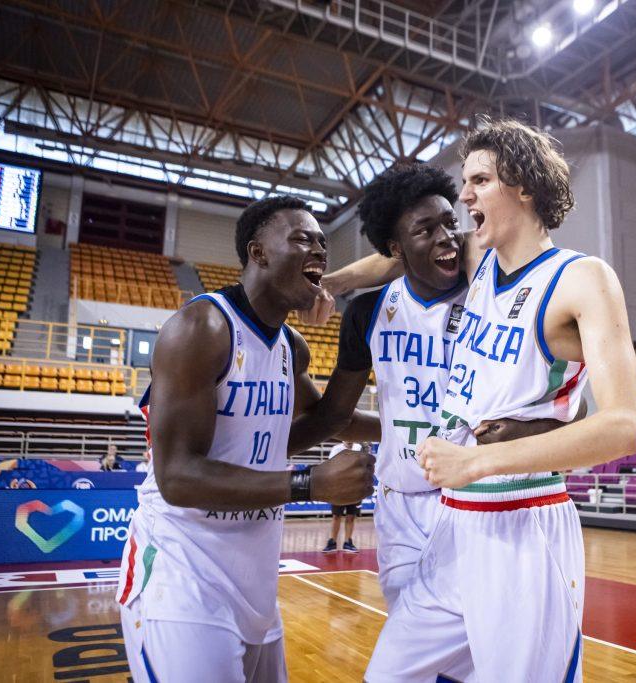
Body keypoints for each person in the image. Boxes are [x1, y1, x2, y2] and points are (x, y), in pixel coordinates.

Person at [330, 119, 636, 682]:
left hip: (523, 525)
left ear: (522, 185)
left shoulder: (582, 278)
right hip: (454, 527)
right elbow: (396, 252)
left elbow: (624, 426)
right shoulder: (478, 264)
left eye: (478, 180)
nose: (464, 195)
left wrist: (477, 460)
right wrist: (332, 284)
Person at [114, 195, 378, 683]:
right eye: (303, 239)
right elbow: (177, 477)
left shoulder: (287, 345)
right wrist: (309, 485)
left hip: (252, 583)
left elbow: (327, 419)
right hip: (181, 572)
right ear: (258, 253)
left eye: (323, 242)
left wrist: (416, 422)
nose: (320, 250)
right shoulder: (202, 328)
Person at [303, 162, 582, 608]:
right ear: (397, 248)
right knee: (415, 645)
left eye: (450, 222)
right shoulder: (367, 314)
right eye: (426, 230)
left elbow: (571, 406)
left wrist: (337, 279)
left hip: (477, 496)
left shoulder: (487, 288)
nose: (446, 237)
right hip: (403, 506)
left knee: (478, 649)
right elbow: (335, 417)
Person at [322, 441, 368, 553]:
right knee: (336, 516)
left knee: (351, 516)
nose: (349, 439)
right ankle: (332, 542)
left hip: (355, 487)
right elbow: (331, 467)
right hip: (339, 488)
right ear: (343, 438)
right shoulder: (336, 449)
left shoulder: (359, 447)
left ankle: (348, 542)